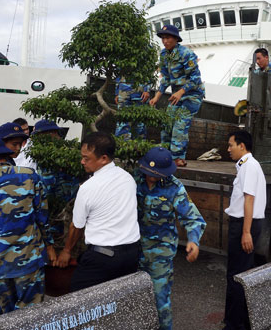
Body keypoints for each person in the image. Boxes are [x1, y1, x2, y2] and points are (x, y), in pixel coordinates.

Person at [0, 136, 55, 321]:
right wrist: (50, 246)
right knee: (31, 316)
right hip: (28, 260)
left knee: (7, 317)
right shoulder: (29, 175)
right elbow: (42, 217)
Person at [54, 132, 140, 291]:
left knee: (79, 303)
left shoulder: (88, 187)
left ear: (104, 159)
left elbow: (77, 226)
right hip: (131, 255)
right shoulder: (128, 178)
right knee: (118, 302)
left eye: (86, 158)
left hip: (102, 258)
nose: (82, 161)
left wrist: (66, 251)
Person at [136, 147, 206, 330]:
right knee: (134, 300)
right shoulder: (134, 180)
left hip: (161, 252)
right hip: (134, 248)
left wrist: (193, 241)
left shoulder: (174, 188)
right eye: (147, 172)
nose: (150, 177)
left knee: (160, 300)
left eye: (155, 174)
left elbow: (193, 219)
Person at [223, 130, 267, 330]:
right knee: (242, 272)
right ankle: (243, 321)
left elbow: (249, 199)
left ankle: (234, 325)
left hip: (244, 224)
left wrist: (246, 232)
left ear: (242, 146)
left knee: (237, 275)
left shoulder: (249, 166)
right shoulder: (246, 165)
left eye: (231, 145)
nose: (228, 149)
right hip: (245, 223)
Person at [149, 25, 205, 167]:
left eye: (167, 38)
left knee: (180, 124)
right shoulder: (163, 55)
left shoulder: (186, 54)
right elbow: (166, 78)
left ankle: (178, 158)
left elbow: (196, 78)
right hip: (177, 95)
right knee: (167, 122)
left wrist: (181, 92)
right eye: (163, 38)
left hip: (192, 95)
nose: (165, 41)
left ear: (175, 39)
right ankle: (165, 155)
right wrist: (157, 96)